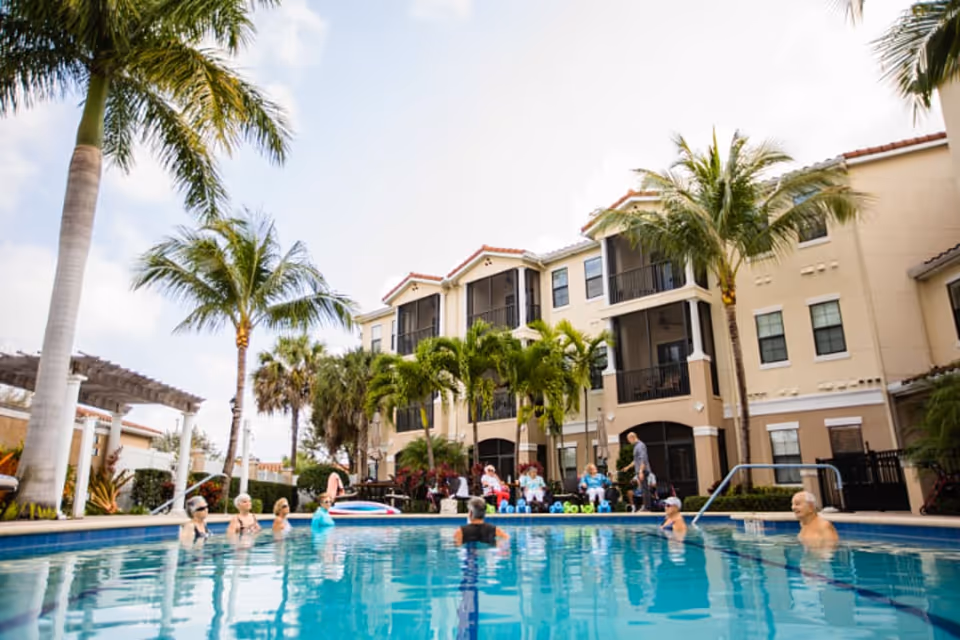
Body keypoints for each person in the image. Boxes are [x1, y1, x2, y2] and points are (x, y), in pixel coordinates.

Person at [620, 432, 652, 512]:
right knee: (643, 489)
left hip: (643, 470)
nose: (629, 442)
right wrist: (627, 467)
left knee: (645, 489)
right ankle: (645, 507)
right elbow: (636, 460)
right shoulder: (636, 446)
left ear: (632, 438)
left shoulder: (640, 446)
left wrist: (641, 471)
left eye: (629, 440)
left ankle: (647, 507)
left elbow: (642, 459)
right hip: (640, 470)